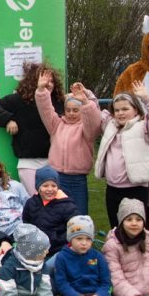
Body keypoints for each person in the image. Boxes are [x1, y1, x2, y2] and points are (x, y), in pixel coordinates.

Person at [0, 62, 64, 195]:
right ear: (34, 82)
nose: (48, 84)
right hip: (29, 163)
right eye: (44, 80)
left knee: (56, 202)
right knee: (34, 200)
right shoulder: (19, 101)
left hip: (56, 162)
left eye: (51, 81)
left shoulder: (60, 102)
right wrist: (7, 120)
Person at [95, 81, 149, 230]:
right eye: (117, 110)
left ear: (136, 110)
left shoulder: (145, 128)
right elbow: (95, 113)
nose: (120, 113)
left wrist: (146, 99)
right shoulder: (111, 126)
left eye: (125, 109)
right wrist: (87, 97)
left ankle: (137, 253)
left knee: (135, 229)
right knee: (116, 228)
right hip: (112, 189)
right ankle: (116, 253)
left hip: (135, 189)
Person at [34, 71, 102, 215]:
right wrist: (41, 91)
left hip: (78, 180)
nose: (71, 113)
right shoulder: (56, 125)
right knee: (57, 213)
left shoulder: (86, 129)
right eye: (68, 110)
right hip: (57, 178)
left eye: (75, 110)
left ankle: (80, 237)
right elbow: (46, 110)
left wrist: (85, 102)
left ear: (81, 111)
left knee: (79, 213)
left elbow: (94, 121)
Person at [53, 216, 118, 296]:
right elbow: (62, 284)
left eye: (88, 239)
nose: (84, 243)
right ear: (70, 239)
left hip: (95, 294)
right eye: (79, 239)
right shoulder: (62, 257)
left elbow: (106, 282)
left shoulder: (98, 256)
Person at [20, 166, 78, 260]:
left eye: (53, 186)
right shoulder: (31, 203)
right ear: (38, 187)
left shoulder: (67, 205)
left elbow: (74, 227)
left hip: (59, 249)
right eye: (45, 186)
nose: (50, 189)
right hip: (36, 248)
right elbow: (26, 223)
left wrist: (56, 239)